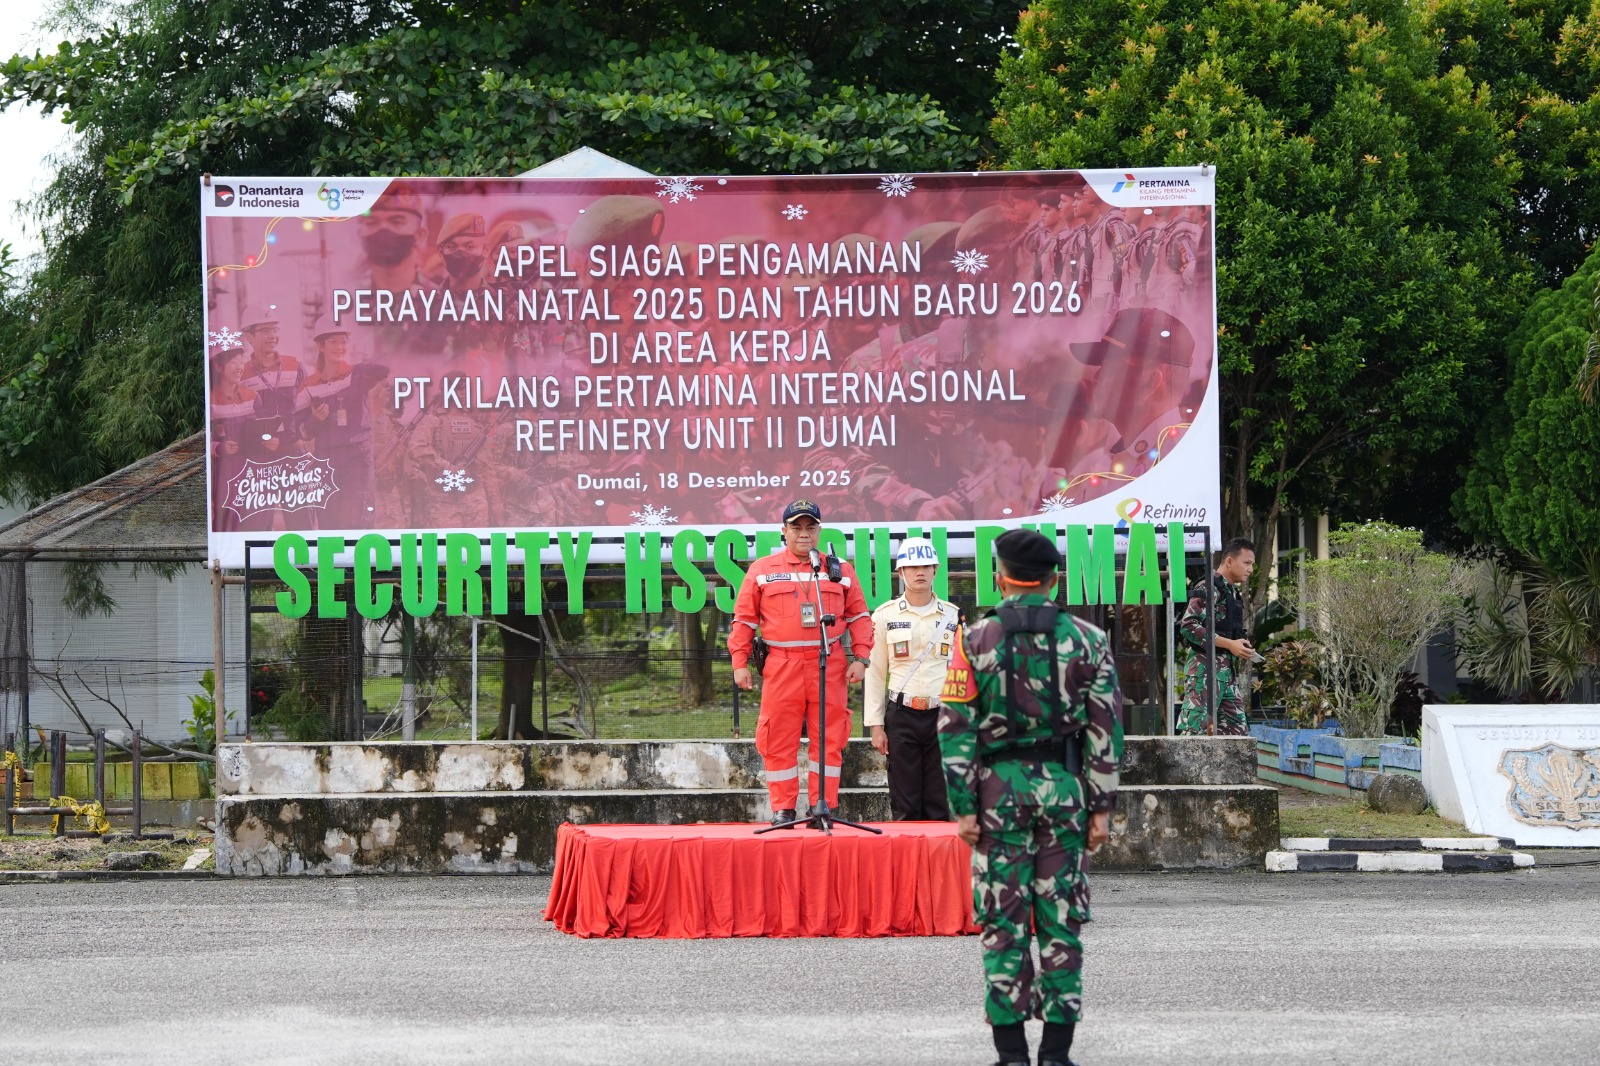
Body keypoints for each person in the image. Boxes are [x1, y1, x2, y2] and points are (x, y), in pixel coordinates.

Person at [938, 529, 1123, 1066]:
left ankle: (1012, 1055)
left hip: (997, 793)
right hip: (1065, 791)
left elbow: (955, 729)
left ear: (1001, 578)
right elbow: (1105, 731)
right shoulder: (1089, 640)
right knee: (1062, 921)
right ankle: (1057, 1055)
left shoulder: (975, 640)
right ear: (1054, 580)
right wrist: (1102, 806)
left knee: (1004, 922)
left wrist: (964, 806)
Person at [728, 500, 874, 826]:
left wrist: (862, 657)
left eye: (811, 527)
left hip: (829, 662)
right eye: (796, 527)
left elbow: (860, 616)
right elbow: (744, 621)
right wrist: (739, 663)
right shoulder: (762, 570)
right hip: (782, 665)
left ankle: (823, 806)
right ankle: (783, 808)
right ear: (784, 531)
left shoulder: (839, 570)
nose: (804, 533)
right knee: (778, 738)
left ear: (820, 531)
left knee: (830, 739)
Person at [865, 537, 961, 821]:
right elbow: (875, 673)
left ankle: (938, 853)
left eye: (926, 566)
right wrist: (876, 726)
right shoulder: (884, 616)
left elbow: (963, 672)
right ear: (901, 572)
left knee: (939, 803)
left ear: (935, 570)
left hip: (942, 715)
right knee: (905, 805)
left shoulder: (953, 616)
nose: (920, 572)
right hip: (902, 715)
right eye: (912, 566)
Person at [1177, 537, 1257, 736]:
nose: (1250, 569)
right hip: (1204, 672)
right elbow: (1188, 625)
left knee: (1237, 733)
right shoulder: (1209, 587)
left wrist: (1239, 645)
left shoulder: (1229, 590)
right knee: (1195, 734)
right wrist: (1229, 644)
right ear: (1229, 561)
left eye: (1252, 564)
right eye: (1246, 563)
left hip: (1225, 673)